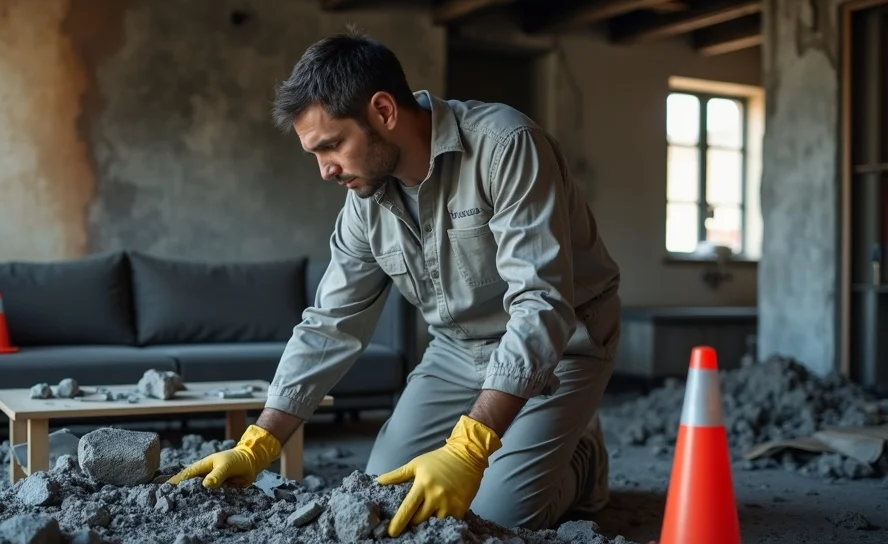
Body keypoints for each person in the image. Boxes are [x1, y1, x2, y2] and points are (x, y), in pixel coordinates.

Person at [169, 28, 622, 538]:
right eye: (314, 153)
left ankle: (583, 459)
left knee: (493, 516)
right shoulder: (364, 203)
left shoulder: (507, 146)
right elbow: (331, 323)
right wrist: (259, 443)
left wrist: (469, 447)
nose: (325, 170)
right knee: (383, 494)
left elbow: (541, 302)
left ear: (383, 111)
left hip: (565, 342)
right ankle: (528, 440)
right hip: (458, 348)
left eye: (332, 145)